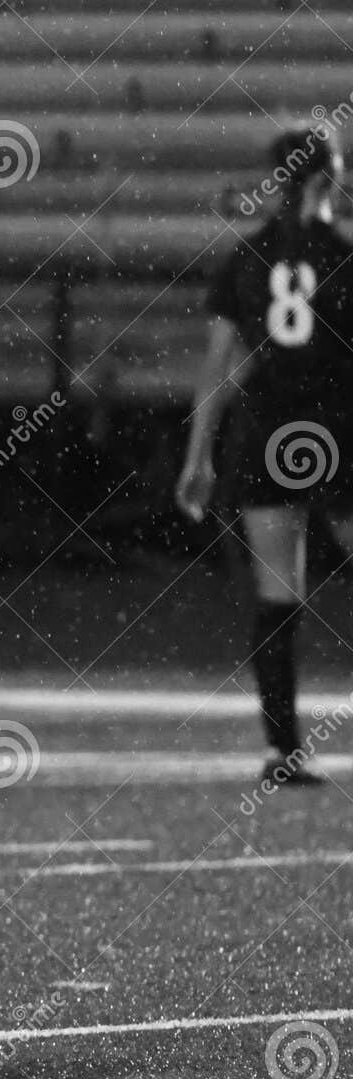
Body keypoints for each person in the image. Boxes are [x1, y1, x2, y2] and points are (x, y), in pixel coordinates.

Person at [176, 125, 353, 785]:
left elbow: (216, 369)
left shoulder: (245, 261)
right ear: (325, 181)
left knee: (278, 598)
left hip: (265, 436)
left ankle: (283, 750)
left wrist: (198, 457)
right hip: (338, 432)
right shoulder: (344, 255)